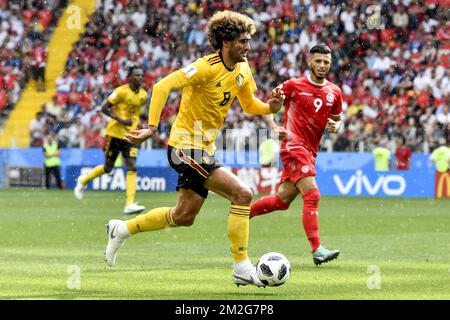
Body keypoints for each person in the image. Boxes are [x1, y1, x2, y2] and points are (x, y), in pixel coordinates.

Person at [103, 11, 284, 287]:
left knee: (183, 216)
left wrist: (270, 108)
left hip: (204, 149)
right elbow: (162, 86)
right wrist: (152, 128)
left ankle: (121, 229)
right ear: (226, 41)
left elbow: (249, 105)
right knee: (242, 193)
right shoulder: (205, 67)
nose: (248, 47)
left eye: (249, 41)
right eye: (243, 41)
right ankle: (241, 266)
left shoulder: (243, 70)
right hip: (184, 148)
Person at [250, 44, 342, 266]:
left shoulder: (334, 92)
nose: (322, 65)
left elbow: (337, 122)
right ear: (309, 62)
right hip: (293, 146)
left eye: (326, 62)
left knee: (281, 201)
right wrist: (274, 127)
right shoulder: (293, 85)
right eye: (318, 61)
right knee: (313, 195)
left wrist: (334, 127)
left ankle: (241, 213)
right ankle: (317, 248)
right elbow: (266, 106)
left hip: (310, 151)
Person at [74, 65, 147, 215]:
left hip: (131, 135)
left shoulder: (144, 95)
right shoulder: (120, 92)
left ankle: (129, 204)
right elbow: (104, 108)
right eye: (137, 75)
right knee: (108, 168)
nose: (140, 77)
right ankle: (83, 180)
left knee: (132, 166)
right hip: (114, 134)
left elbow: (137, 113)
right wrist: (120, 119)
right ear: (130, 77)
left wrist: (137, 124)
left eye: (142, 75)